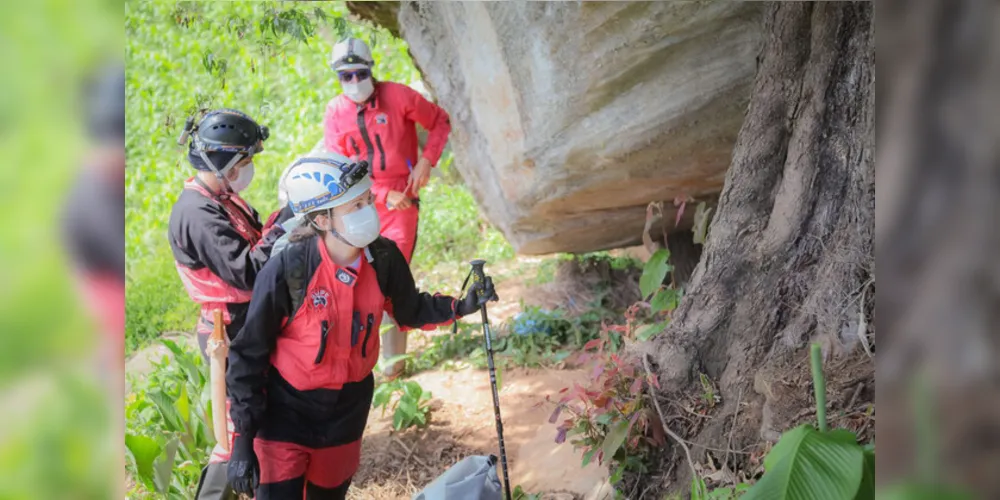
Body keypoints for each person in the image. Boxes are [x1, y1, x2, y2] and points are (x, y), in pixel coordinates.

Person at [225, 153, 496, 499]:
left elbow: (410, 309)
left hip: (346, 414)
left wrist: (462, 305)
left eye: (368, 200)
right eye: (355, 206)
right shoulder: (289, 269)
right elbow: (248, 355)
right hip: (284, 413)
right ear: (322, 220)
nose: (369, 210)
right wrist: (243, 440)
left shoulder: (383, 258)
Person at [167, 108, 288, 499]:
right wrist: (285, 226)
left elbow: (255, 240)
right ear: (224, 162)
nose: (249, 168)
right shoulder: (198, 214)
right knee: (237, 434)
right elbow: (248, 271)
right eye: (246, 161)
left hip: (244, 322)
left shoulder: (220, 198)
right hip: (229, 333)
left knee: (254, 423)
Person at [323, 37, 453, 377]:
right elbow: (338, 165)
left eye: (359, 73)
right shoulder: (336, 112)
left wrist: (427, 160)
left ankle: (393, 371)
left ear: (370, 70)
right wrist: (381, 194)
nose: (353, 82)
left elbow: (440, 121)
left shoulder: (398, 96)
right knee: (354, 281)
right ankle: (356, 365)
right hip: (358, 206)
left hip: (402, 205)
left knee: (391, 282)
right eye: (345, 76)